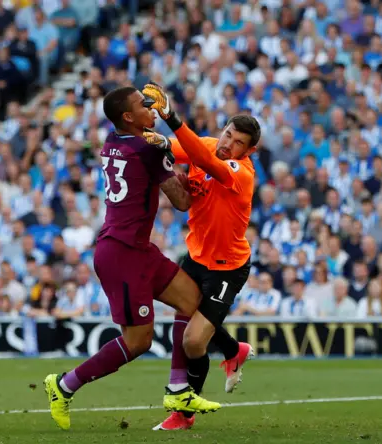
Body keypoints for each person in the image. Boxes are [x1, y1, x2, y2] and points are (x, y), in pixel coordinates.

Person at [43, 86, 220, 431]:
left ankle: (178, 389)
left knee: (191, 301)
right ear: (128, 117)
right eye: (144, 105)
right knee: (139, 341)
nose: (152, 107)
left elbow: (146, 163)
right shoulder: (149, 149)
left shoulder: (114, 140)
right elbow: (182, 203)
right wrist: (200, 183)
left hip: (136, 248)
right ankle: (63, 386)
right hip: (122, 254)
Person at [143, 82, 260, 430]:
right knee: (181, 313)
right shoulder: (208, 145)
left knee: (193, 341)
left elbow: (203, 157)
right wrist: (141, 134)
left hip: (228, 268)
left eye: (238, 142)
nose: (228, 144)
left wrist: (170, 116)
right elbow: (174, 147)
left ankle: (185, 413)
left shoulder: (242, 173)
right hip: (196, 256)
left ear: (249, 150)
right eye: (227, 134)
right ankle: (232, 351)